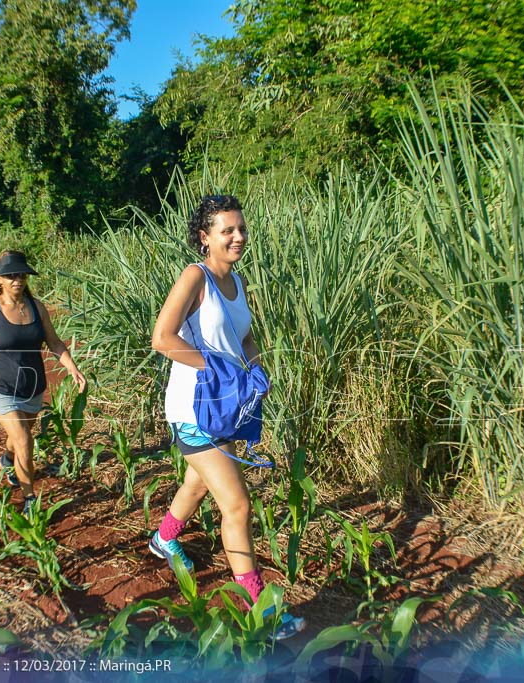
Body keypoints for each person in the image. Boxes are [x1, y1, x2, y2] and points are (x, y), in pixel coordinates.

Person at [149, 194, 305, 640]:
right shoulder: (195, 277)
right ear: (205, 237)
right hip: (192, 407)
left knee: (198, 482)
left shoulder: (235, 280)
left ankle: (164, 538)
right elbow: (162, 337)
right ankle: (262, 609)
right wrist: (212, 368)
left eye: (240, 229)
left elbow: (246, 333)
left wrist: (255, 369)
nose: (238, 237)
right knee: (236, 504)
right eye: (226, 231)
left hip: (226, 406)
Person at [0, 250, 86, 517]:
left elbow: (53, 342)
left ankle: (6, 461)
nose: (17, 279)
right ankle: (30, 499)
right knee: (24, 440)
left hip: (32, 387)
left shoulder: (36, 307)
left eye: (21, 274)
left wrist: (72, 367)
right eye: (10, 275)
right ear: (0, 279)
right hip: (2, 388)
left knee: (18, 440)